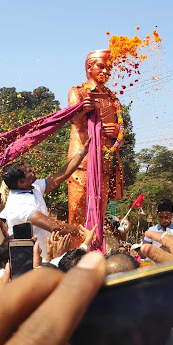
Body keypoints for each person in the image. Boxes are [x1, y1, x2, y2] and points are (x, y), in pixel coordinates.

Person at [67, 49, 124, 243]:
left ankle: (96, 251)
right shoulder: (79, 92)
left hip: (105, 164)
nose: (105, 71)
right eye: (101, 66)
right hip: (81, 164)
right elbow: (73, 120)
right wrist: (83, 111)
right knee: (78, 217)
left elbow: (121, 137)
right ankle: (75, 258)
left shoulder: (113, 99)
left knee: (99, 215)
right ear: (89, 68)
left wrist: (117, 131)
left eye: (109, 68)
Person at [0, 139, 90, 249]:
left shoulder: (33, 186)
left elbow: (62, 174)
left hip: (42, 253)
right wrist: (81, 231)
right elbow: (54, 226)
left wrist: (82, 152)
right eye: (29, 171)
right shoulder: (19, 204)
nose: (33, 170)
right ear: (21, 182)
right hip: (28, 259)